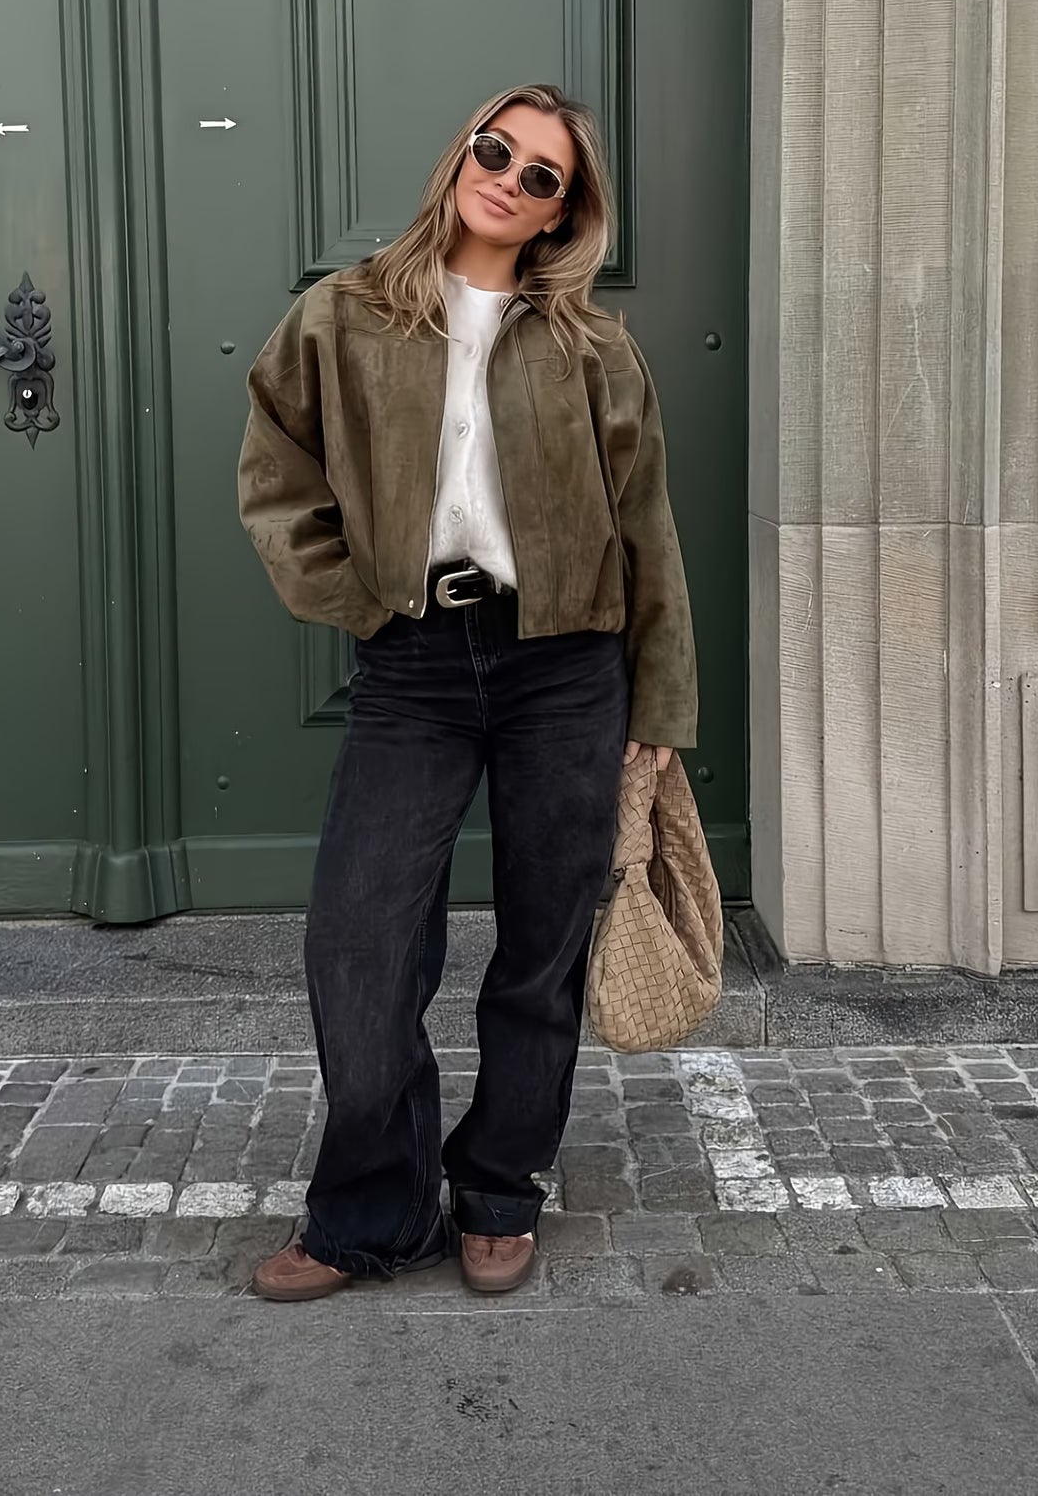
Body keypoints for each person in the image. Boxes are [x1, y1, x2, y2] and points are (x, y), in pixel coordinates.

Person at [237, 83, 696, 1301]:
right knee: (361, 941)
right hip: (414, 662)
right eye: (497, 149)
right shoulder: (340, 315)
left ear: (560, 215)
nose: (509, 177)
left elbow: (646, 529)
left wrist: (659, 707)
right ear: (461, 156)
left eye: (542, 174)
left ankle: (499, 1187)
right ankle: (368, 1210)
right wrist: (354, 596)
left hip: (567, 666)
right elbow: (276, 471)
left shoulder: (594, 348)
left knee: (543, 944)